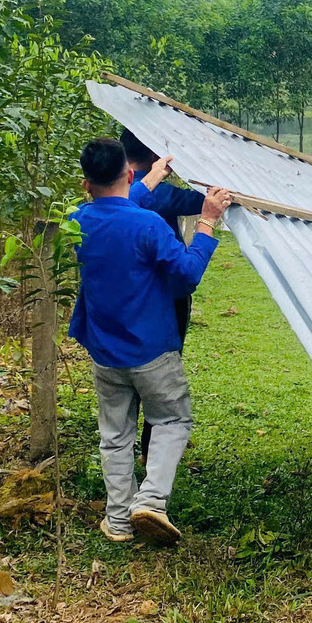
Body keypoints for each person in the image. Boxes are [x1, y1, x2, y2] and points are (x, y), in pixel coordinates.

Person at [69, 137, 232, 545]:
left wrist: (152, 178)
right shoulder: (149, 225)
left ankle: (118, 521)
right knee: (172, 420)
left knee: (115, 435)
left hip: (105, 353)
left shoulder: (77, 222)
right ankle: (151, 502)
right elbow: (187, 275)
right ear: (128, 174)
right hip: (152, 351)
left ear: (86, 184)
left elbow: (117, 206)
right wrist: (207, 221)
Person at [121, 127, 204, 461]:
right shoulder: (157, 194)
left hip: (127, 299)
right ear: (156, 155)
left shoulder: (109, 193)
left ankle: (125, 452)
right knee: (162, 372)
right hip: (167, 297)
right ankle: (150, 450)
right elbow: (200, 201)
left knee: (125, 377)